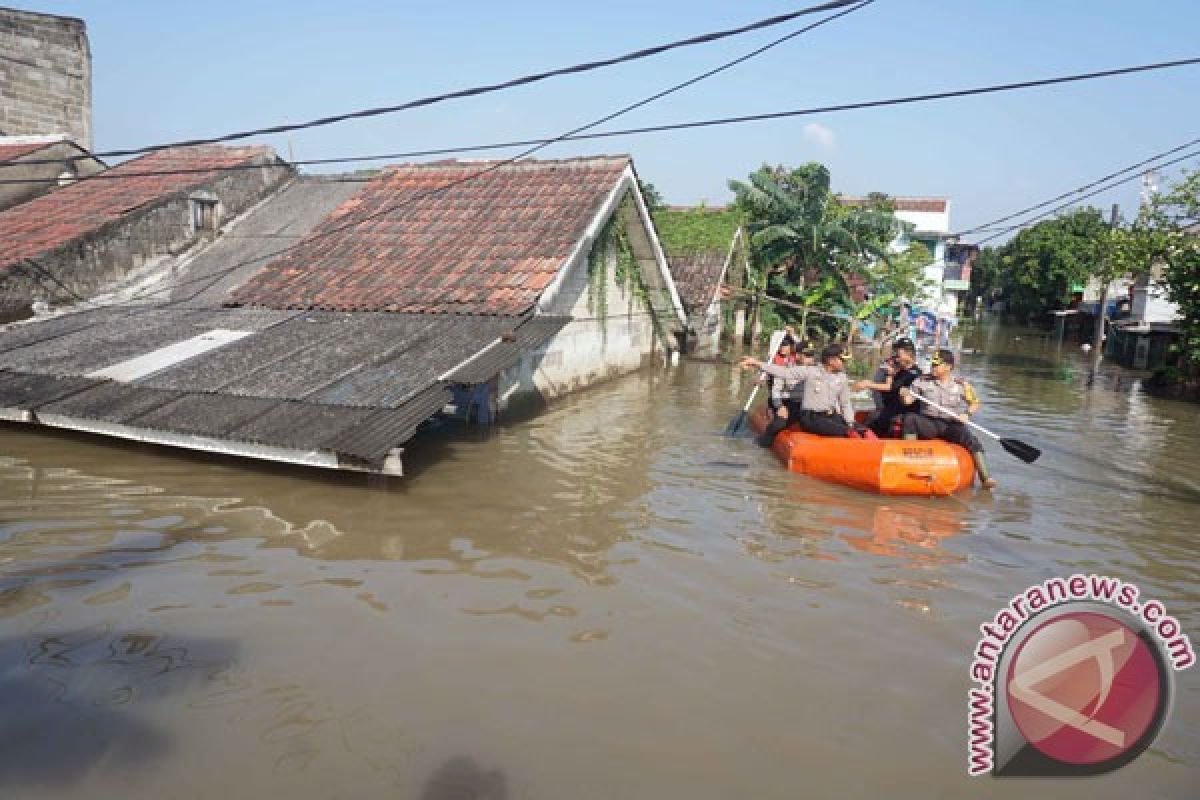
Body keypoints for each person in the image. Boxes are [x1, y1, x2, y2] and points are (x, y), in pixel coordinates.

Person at [898, 349, 998, 489]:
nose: (932, 367)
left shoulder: (961, 385)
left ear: (948, 367)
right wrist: (904, 394)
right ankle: (910, 464)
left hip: (950, 424)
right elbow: (908, 401)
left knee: (970, 439)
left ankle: (985, 478)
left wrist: (966, 414)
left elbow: (975, 403)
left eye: (936, 365)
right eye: (932, 364)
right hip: (929, 422)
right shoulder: (922, 381)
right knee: (910, 418)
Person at [741, 343, 872, 440]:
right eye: (842, 360)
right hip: (811, 417)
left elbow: (845, 403)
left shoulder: (842, 377)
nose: (845, 363)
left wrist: (850, 421)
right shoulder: (811, 371)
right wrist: (757, 363)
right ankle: (764, 440)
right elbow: (784, 372)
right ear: (831, 360)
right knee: (848, 432)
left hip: (829, 415)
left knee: (859, 429)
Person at [859, 339, 921, 438]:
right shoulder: (900, 370)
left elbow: (891, 388)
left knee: (874, 418)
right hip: (890, 409)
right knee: (872, 416)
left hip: (903, 412)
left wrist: (868, 384)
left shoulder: (914, 374)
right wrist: (890, 374)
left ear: (907, 354)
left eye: (898, 355)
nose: (896, 358)